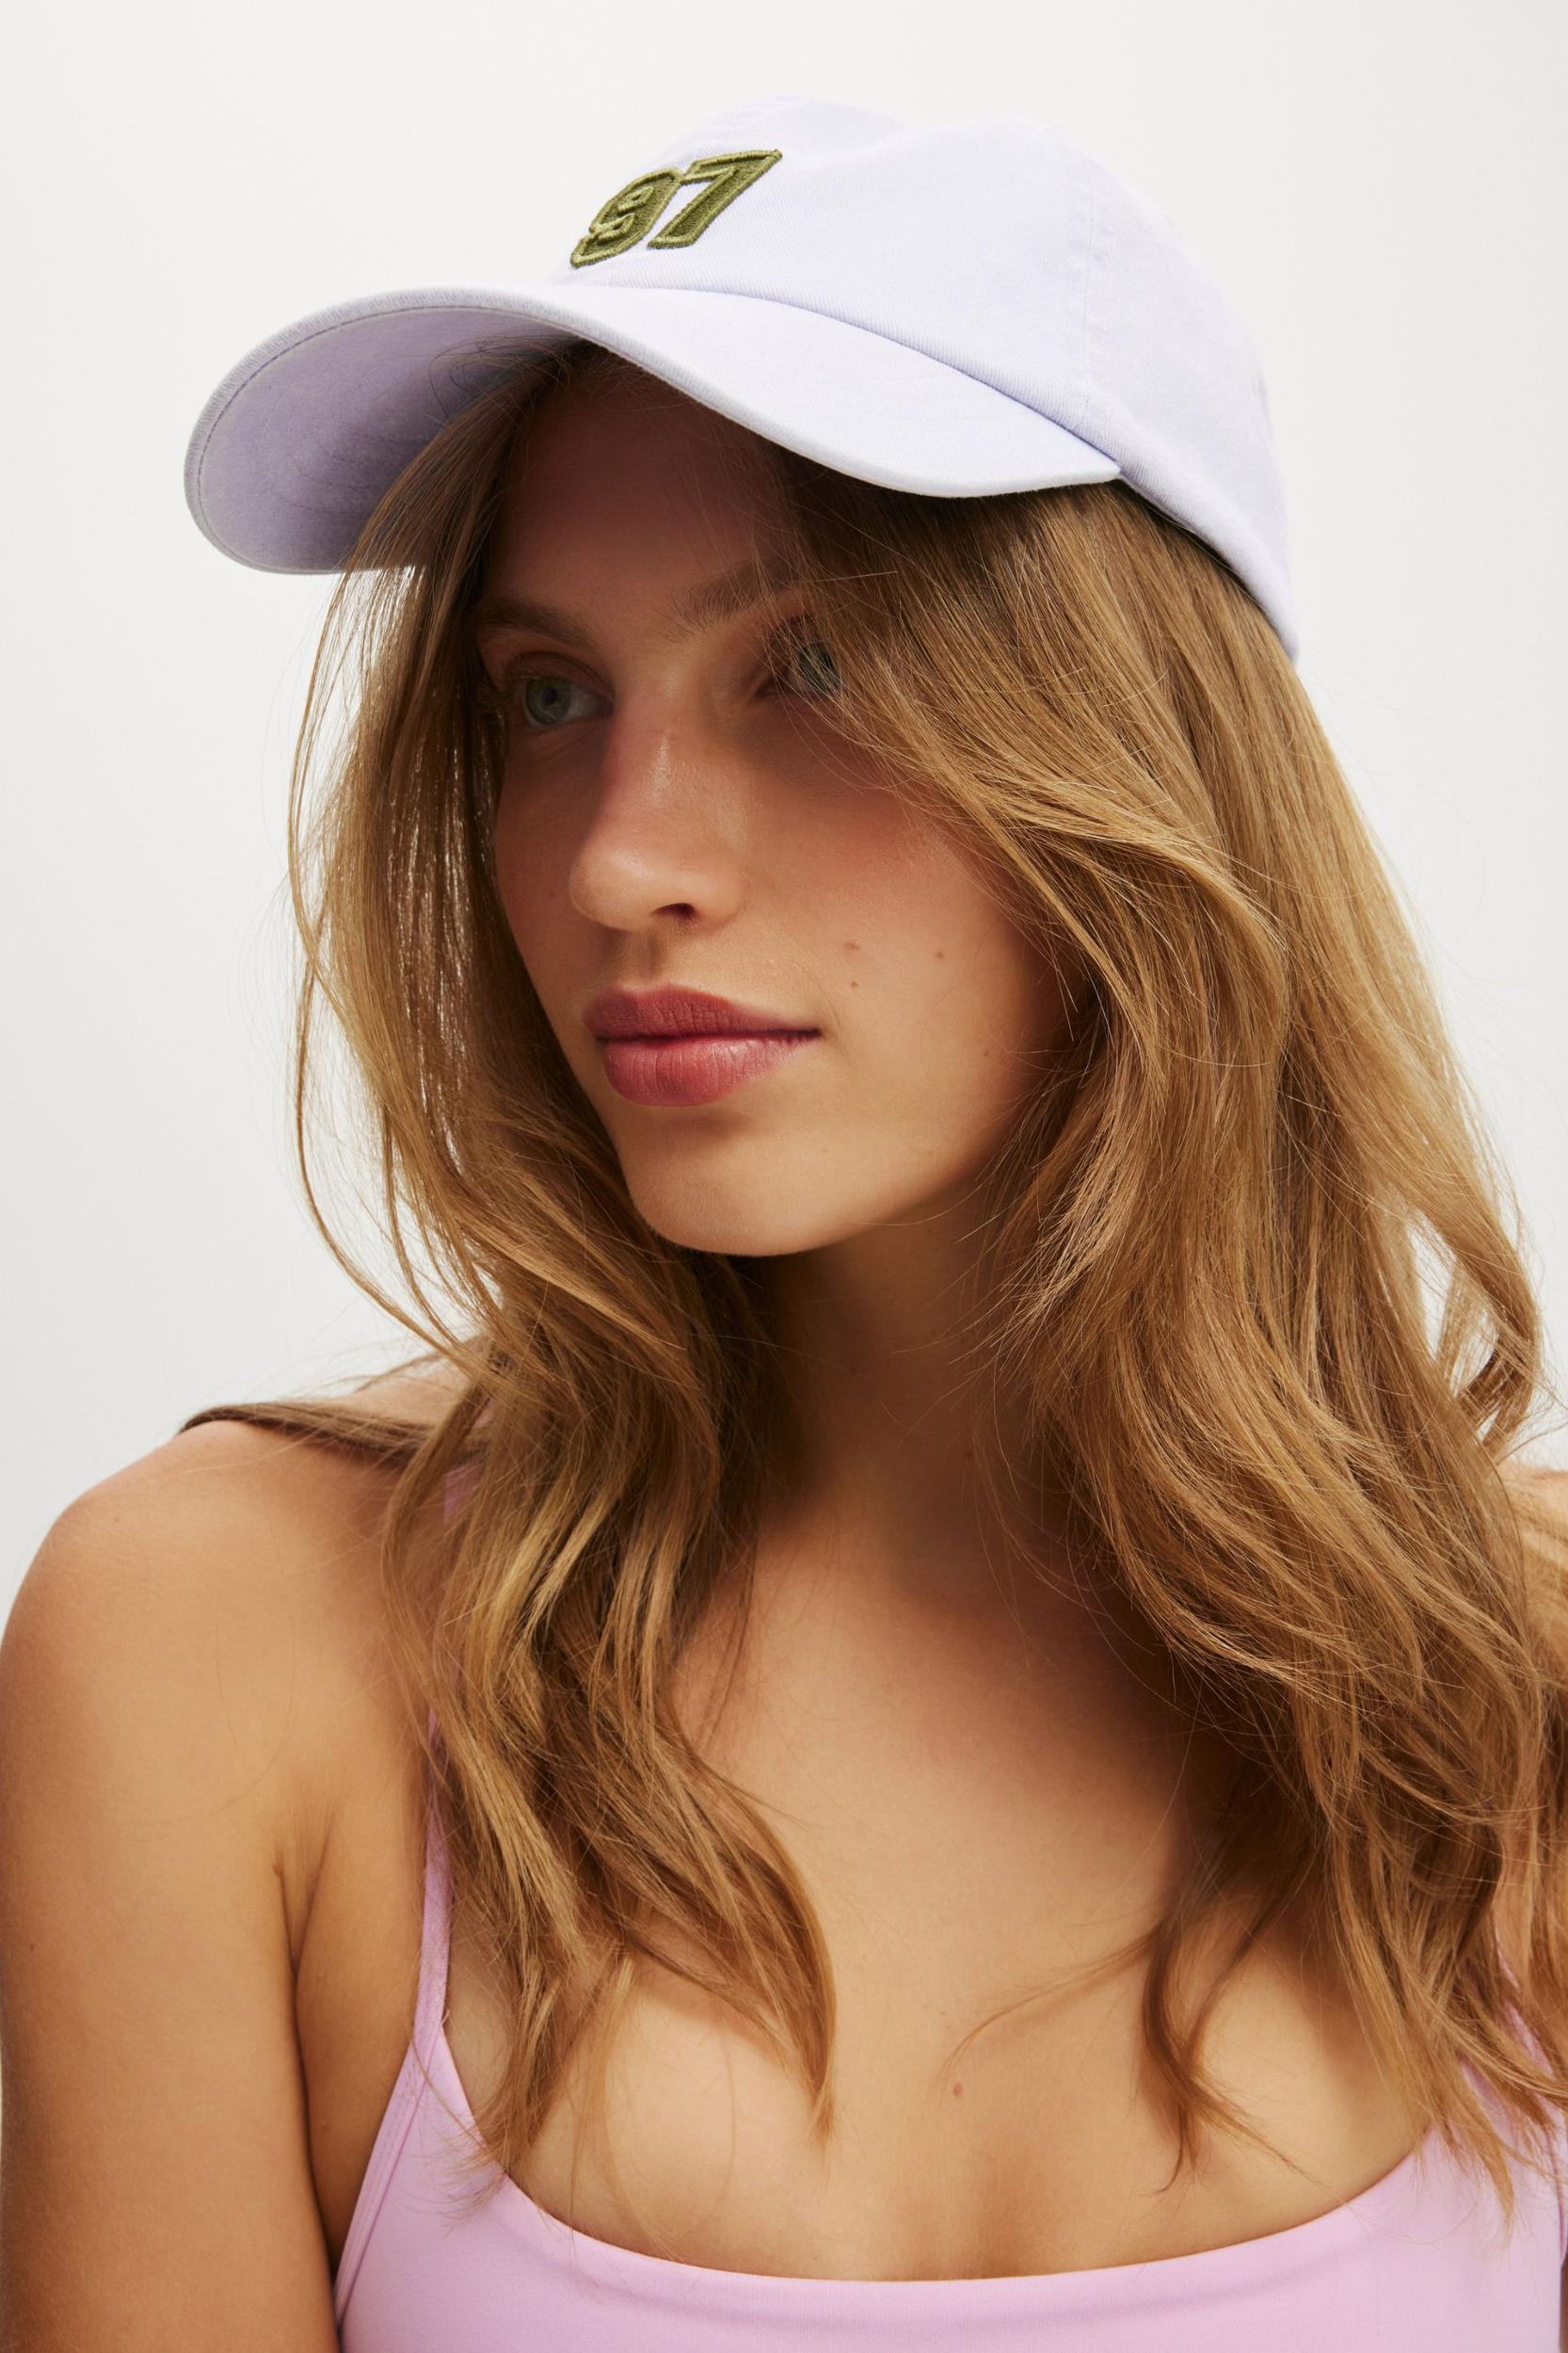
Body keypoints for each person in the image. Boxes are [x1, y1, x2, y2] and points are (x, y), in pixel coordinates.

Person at [5, 93, 1568, 2353]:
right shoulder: (225, 1652)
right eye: (549, 696)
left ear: (1135, 753)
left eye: (809, 669)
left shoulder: (1510, 1694)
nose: (618, 857)